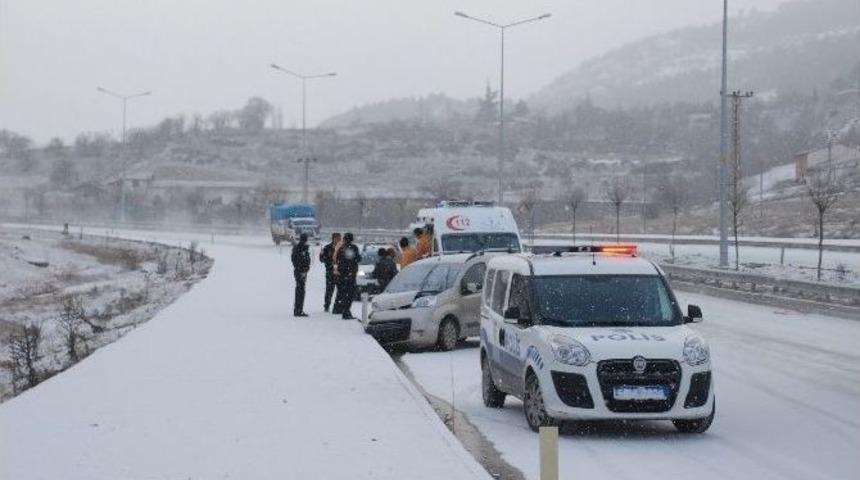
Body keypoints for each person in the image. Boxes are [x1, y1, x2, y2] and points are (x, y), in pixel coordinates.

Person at [334, 232, 361, 320]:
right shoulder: (353, 248)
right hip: (351, 274)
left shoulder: (341, 248)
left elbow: (337, 259)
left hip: (342, 274)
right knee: (350, 294)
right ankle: (346, 311)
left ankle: (344, 310)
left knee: (343, 293)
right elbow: (357, 259)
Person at [319, 232, 341, 312]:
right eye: (337, 238)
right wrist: (321, 254)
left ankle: (338, 306)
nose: (338, 240)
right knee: (329, 290)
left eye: (339, 238)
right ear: (333, 239)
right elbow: (322, 260)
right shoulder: (327, 247)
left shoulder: (342, 248)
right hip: (330, 271)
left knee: (340, 289)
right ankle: (327, 305)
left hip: (340, 272)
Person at [291, 233, 311, 317]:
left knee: (300, 290)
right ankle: (298, 310)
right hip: (300, 272)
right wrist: (303, 269)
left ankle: (298, 309)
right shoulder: (300, 248)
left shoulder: (300, 248)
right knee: (300, 290)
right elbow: (297, 260)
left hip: (301, 271)